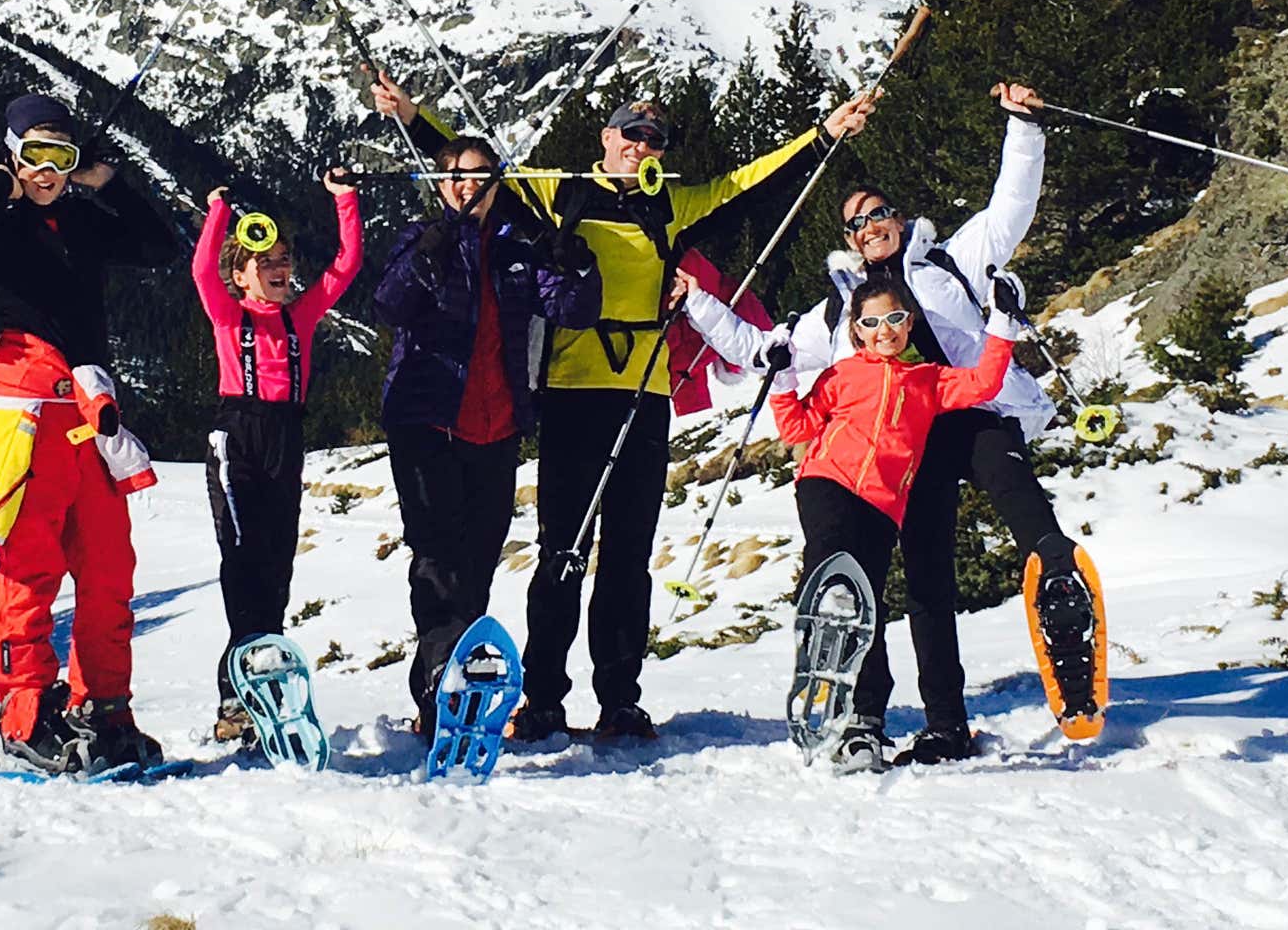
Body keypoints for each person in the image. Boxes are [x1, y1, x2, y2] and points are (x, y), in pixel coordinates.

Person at [373, 70, 875, 740]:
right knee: (563, 550)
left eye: (655, 140)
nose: (642, 146)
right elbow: (478, 175)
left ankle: (619, 697)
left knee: (629, 553)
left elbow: (751, 184)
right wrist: (412, 117)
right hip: (572, 391)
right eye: (632, 134)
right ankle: (544, 696)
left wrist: (823, 135)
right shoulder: (559, 191)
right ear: (607, 138)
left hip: (644, 393)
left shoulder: (673, 204)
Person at [678, 82, 1096, 764]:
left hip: (973, 410)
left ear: (899, 219)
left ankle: (1057, 578)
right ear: (847, 241)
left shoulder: (950, 260)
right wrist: (699, 304)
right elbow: (760, 350)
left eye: (879, 213)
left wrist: (1023, 127)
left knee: (1014, 491)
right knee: (928, 584)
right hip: (910, 450)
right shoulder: (837, 314)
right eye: (856, 223)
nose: (870, 226)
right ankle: (943, 724)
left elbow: (1009, 209)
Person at [0, 92, 177, 773]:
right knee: (31, 565)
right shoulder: (0, 223)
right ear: (15, 153)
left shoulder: (79, 219)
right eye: (36, 154)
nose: (48, 171)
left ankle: (103, 705)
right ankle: (25, 710)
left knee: (107, 567)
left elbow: (160, 247)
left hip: (88, 411)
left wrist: (109, 183)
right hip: (24, 408)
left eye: (62, 157)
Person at [372, 136, 602, 738]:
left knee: (476, 564)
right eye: (455, 176)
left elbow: (573, 310)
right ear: (439, 183)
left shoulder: (514, 249)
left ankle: (448, 690)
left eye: (478, 176)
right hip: (427, 420)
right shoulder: (420, 239)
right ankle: (443, 687)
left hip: (496, 427)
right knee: (436, 558)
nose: (466, 186)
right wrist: (429, 252)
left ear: (496, 184)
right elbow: (390, 304)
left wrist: (578, 263)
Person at [758, 269, 1023, 770]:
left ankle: (865, 718)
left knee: (866, 608)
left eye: (895, 319)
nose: (885, 331)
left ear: (910, 322)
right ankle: (825, 610)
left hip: (883, 505)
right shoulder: (840, 376)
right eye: (872, 322)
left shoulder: (929, 380)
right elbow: (796, 426)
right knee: (834, 565)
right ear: (856, 330)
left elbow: (985, 381)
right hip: (828, 481)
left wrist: (1003, 323)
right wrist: (784, 376)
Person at [192, 168, 363, 743]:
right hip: (236, 435)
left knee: (277, 559)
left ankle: (262, 670)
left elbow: (346, 265)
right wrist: (218, 212)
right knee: (242, 559)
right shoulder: (229, 314)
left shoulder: (300, 316)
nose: (279, 267)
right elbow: (201, 270)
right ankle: (237, 684)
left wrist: (344, 200)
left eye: (284, 259)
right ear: (241, 275)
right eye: (264, 261)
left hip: (286, 435)